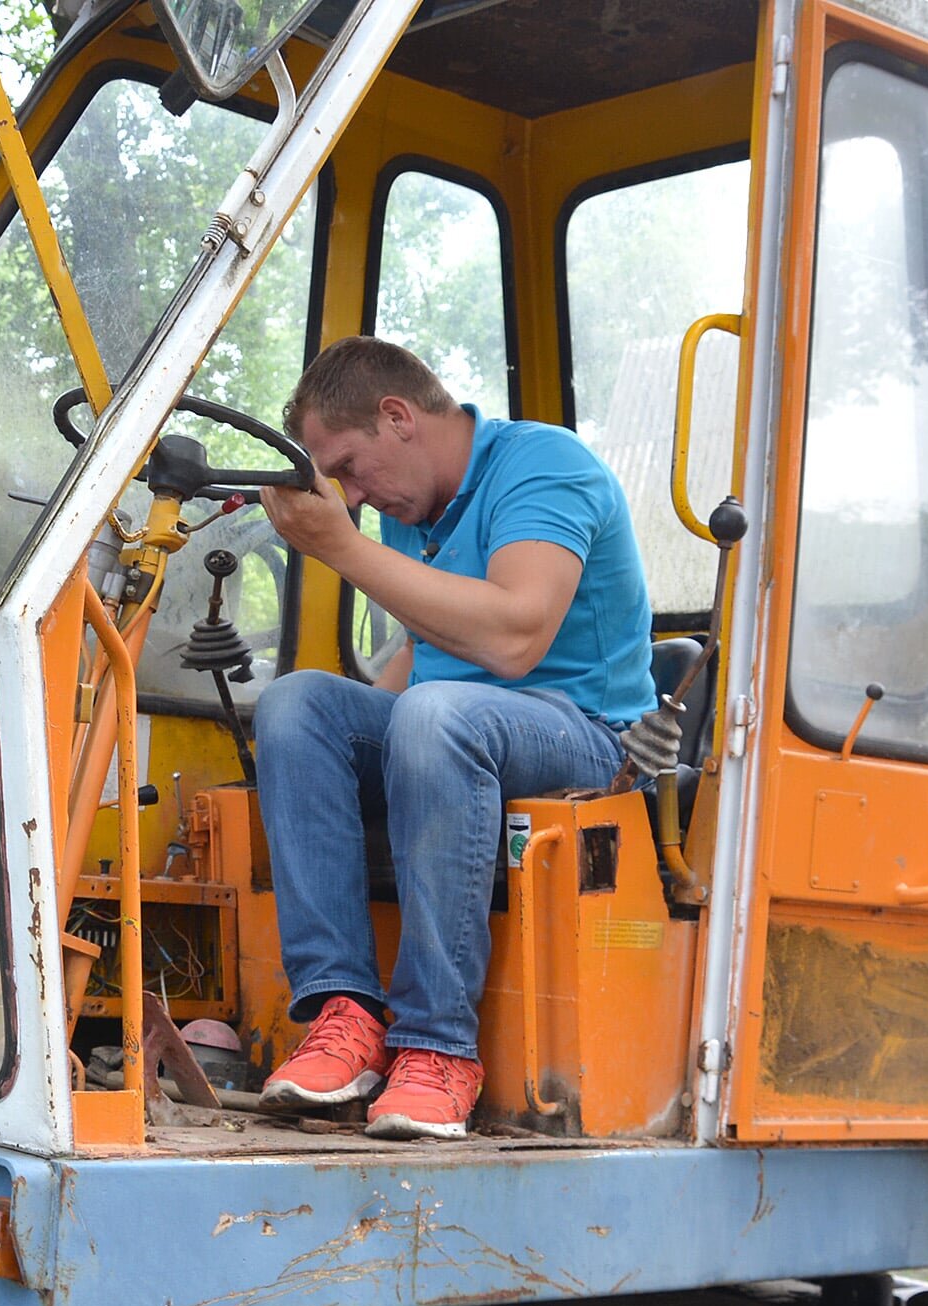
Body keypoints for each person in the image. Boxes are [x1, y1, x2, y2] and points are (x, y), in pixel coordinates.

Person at [254, 337, 653, 1139]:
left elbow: (512, 639)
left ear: (398, 417)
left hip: (589, 739)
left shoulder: (544, 466)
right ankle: (346, 1015)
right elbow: (422, 656)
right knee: (298, 706)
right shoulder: (414, 509)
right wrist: (331, 755)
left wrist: (340, 546)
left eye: (351, 468)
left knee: (436, 714)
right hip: (459, 727)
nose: (353, 497)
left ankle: (439, 1049)